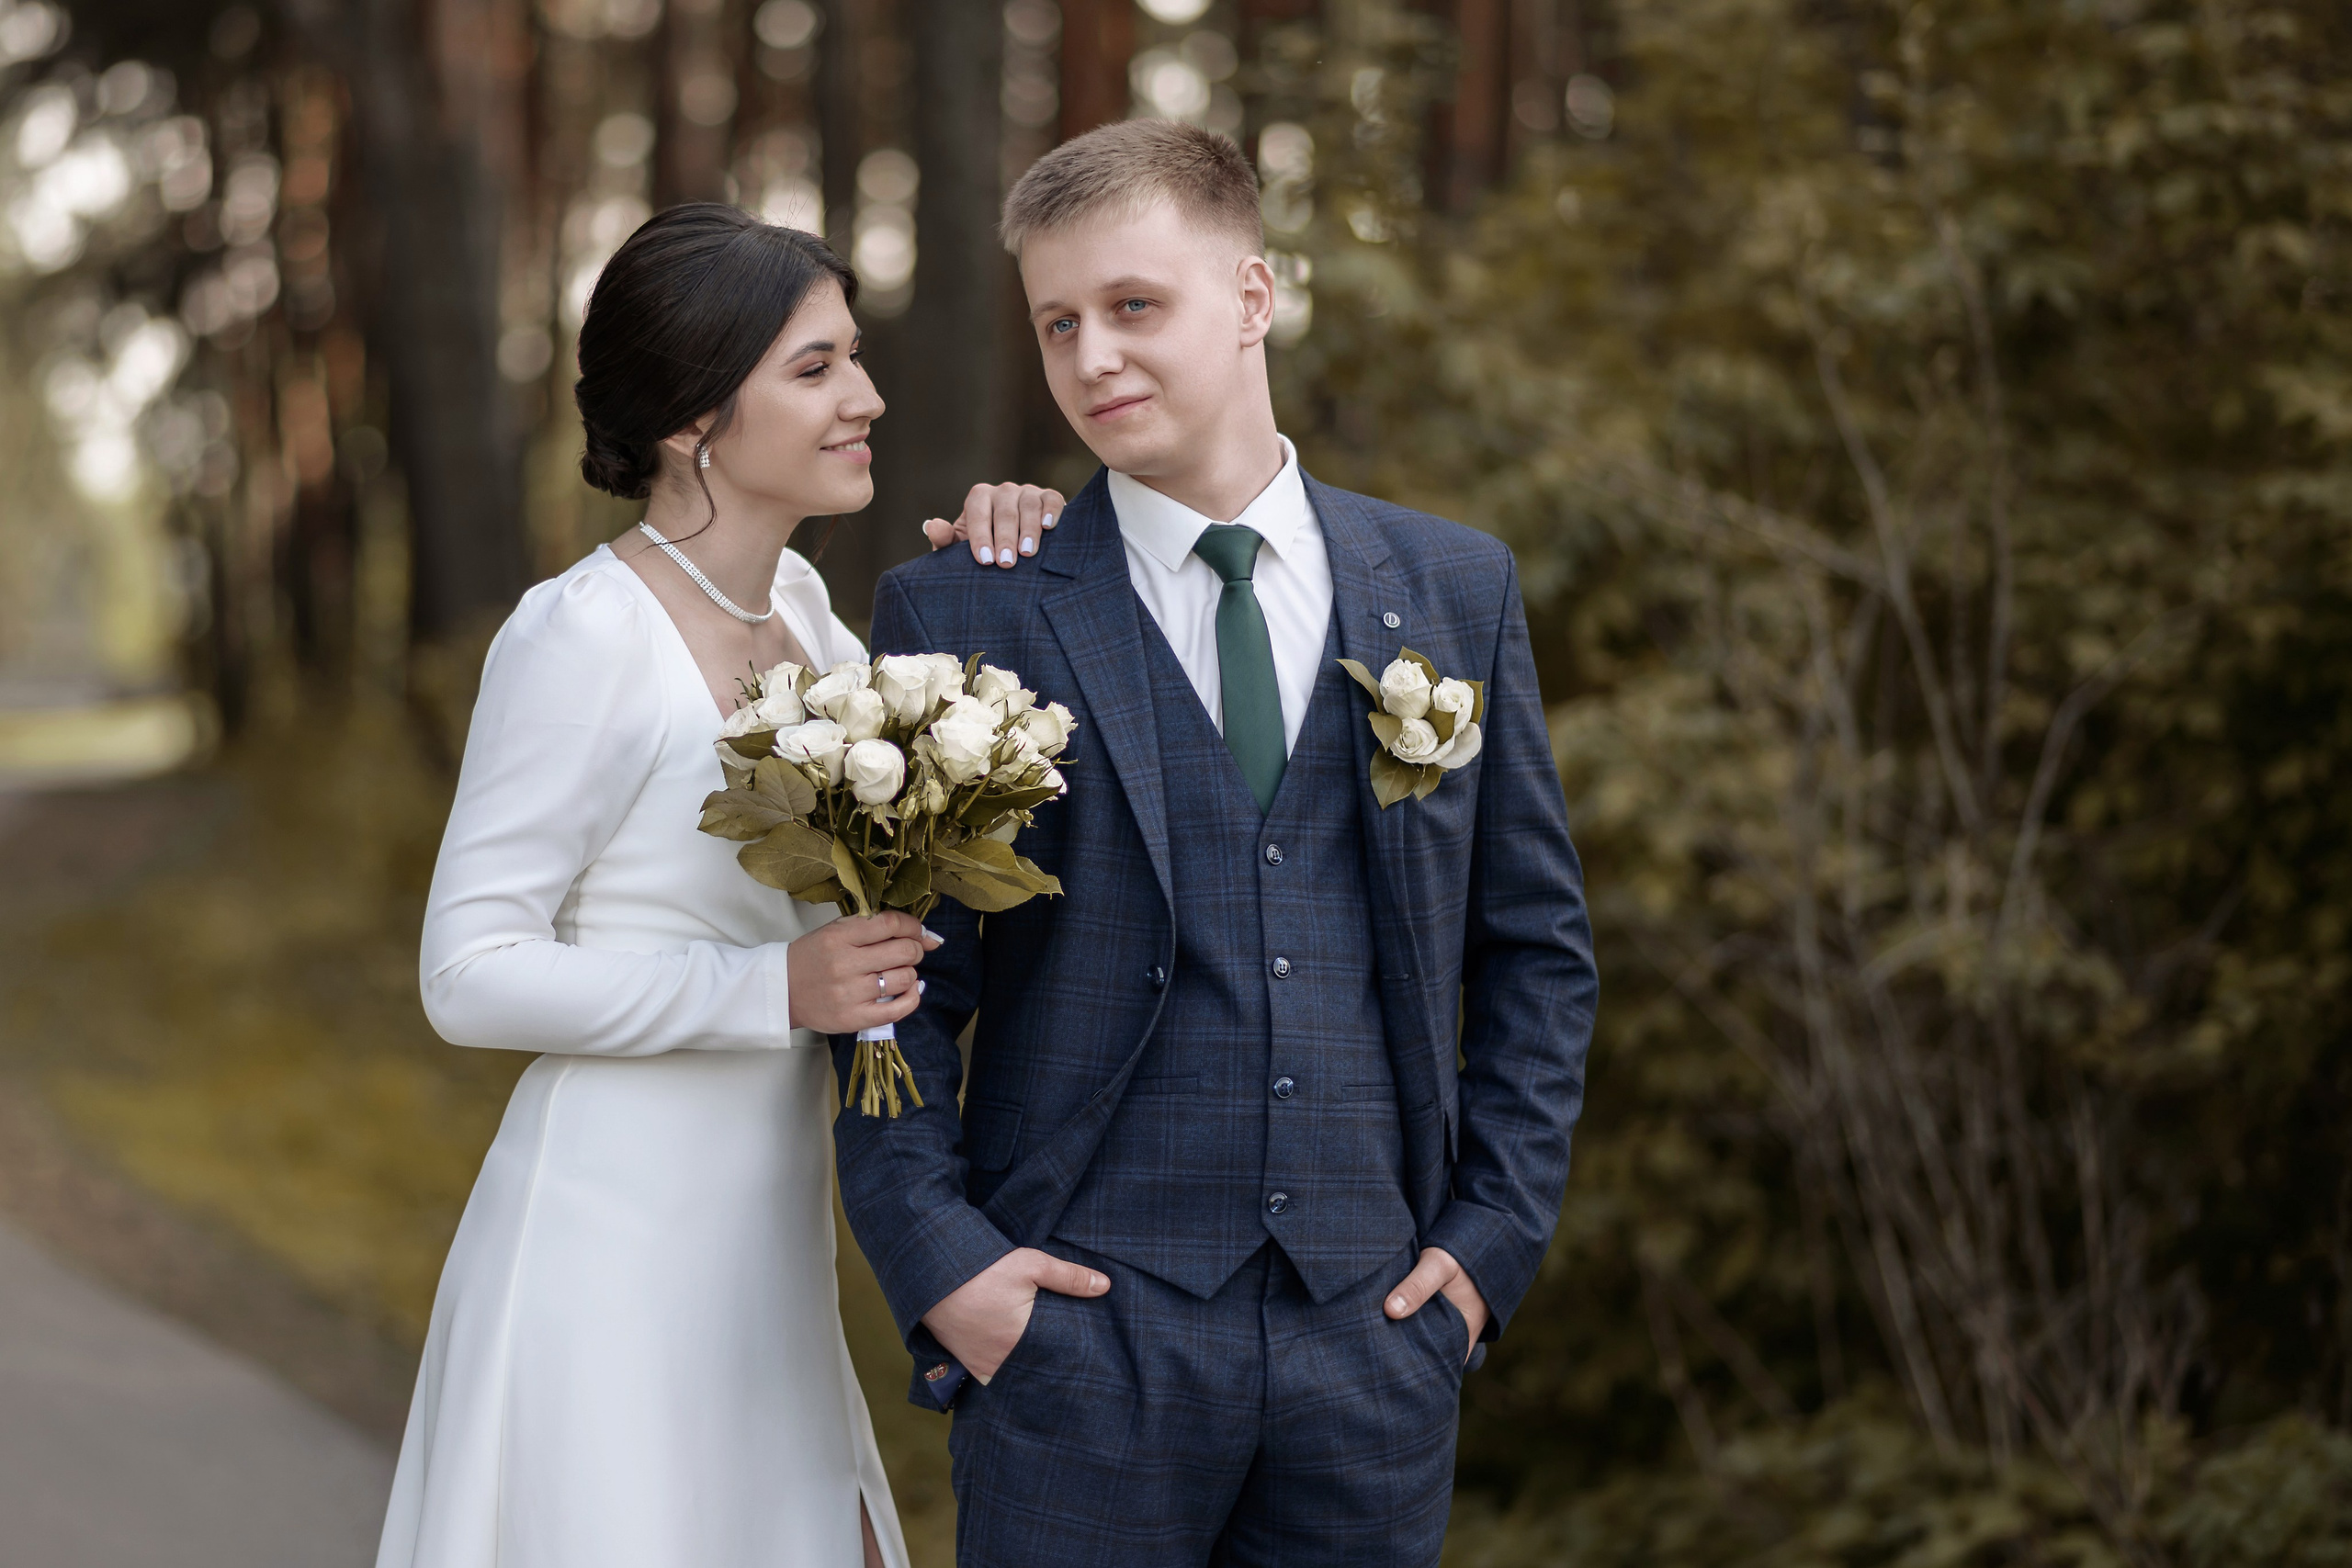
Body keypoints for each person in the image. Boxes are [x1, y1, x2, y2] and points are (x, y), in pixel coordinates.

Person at [839, 119, 1599, 1567]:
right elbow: (894, 996)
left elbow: (1536, 954)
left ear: (1253, 299)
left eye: (1135, 306)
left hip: (1374, 1349)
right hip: (1073, 1346)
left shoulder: (1449, 588)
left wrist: (1486, 1256)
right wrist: (948, 1270)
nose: (1093, 358)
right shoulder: (972, 611)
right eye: (1059, 323)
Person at [373, 204, 1062, 1568]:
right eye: (815, 370)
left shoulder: (803, 609)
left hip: (768, 1242)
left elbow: (925, 807)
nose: (865, 395)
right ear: (696, 414)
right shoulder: (580, 636)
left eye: (852, 358)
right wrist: (772, 987)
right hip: (608, 1244)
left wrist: (1012, 565)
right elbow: (465, 972)